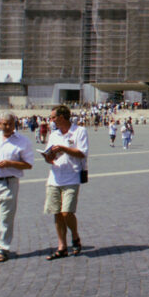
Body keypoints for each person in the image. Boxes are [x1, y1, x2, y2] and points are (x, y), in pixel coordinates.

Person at [0, 113, 34, 263]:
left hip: (9, 183)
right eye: (3, 124)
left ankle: (3, 248)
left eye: (9, 124)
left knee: (5, 218)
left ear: (14, 124)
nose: (6, 127)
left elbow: (28, 164)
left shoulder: (23, 141)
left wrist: (11, 163)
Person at [43, 105, 89, 260]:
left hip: (72, 176)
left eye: (53, 117)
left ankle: (75, 236)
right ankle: (62, 246)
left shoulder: (79, 131)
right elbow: (50, 154)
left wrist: (64, 148)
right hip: (54, 177)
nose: (51, 120)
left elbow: (82, 153)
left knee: (67, 212)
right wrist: (48, 157)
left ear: (61, 117)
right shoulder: (54, 134)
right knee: (57, 213)